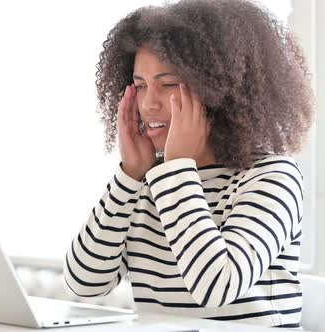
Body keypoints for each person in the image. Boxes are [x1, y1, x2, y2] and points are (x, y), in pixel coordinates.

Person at [63, 0, 315, 328]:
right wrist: (129, 176)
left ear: (219, 92)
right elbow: (85, 283)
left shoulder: (271, 177)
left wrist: (177, 168)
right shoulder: (148, 180)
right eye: (140, 86)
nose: (148, 103)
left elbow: (216, 286)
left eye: (167, 85)